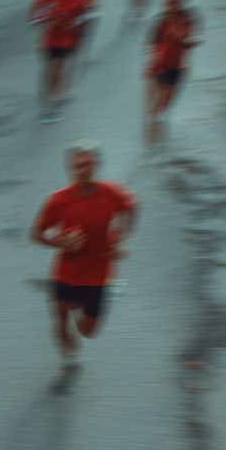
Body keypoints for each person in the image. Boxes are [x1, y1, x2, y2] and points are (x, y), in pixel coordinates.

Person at [30, 141, 137, 390]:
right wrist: (58, 242)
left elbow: (132, 206)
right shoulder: (58, 201)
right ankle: (70, 362)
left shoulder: (111, 193)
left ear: (96, 165)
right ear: (70, 169)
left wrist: (124, 236)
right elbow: (36, 233)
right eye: (77, 166)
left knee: (88, 332)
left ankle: (81, 310)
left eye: (87, 164)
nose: (82, 170)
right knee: (59, 320)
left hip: (98, 276)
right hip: (65, 273)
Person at [145, 0, 199, 151]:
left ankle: (159, 139)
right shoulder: (161, 22)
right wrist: (155, 55)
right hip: (160, 66)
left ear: (180, 4)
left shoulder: (187, 20)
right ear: (165, 5)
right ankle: (152, 145)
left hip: (177, 67)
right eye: (169, 3)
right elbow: (152, 43)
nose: (172, 6)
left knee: (165, 108)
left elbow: (191, 40)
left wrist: (187, 42)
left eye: (175, 3)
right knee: (155, 108)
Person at [29, 0, 85, 121]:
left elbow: (81, 18)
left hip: (65, 41)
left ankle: (55, 98)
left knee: (58, 71)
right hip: (49, 42)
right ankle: (46, 102)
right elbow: (36, 3)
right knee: (50, 71)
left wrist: (75, 30)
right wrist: (33, 19)